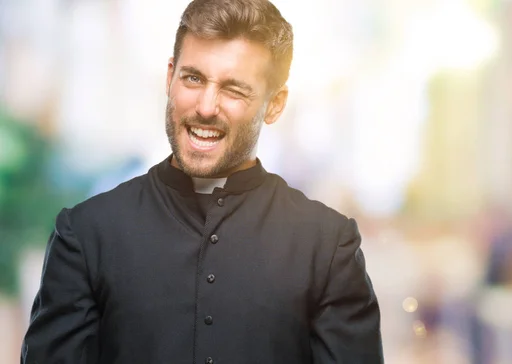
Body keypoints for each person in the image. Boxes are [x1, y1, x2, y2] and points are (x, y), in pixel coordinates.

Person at [20, 0, 383, 363]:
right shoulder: (86, 235)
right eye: (193, 78)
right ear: (170, 77)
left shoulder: (327, 246)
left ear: (275, 104)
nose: (206, 106)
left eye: (234, 89)